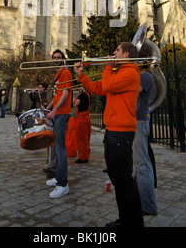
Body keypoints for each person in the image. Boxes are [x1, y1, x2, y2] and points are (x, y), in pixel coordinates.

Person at [74, 42, 144, 228]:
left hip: (121, 132)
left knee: (124, 181)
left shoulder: (130, 72)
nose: (113, 53)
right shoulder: (118, 72)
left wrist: (107, 65)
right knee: (117, 179)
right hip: (113, 130)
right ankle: (125, 219)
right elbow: (99, 88)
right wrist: (81, 76)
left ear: (126, 54)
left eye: (117, 51)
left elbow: (108, 84)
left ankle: (134, 223)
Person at [44, 49, 72, 199]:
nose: (56, 59)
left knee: (60, 148)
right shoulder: (57, 75)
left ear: (63, 59)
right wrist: (48, 107)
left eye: (59, 57)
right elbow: (57, 95)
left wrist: (54, 111)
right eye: (54, 57)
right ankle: (57, 177)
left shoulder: (66, 72)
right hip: (57, 113)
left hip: (62, 114)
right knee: (56, 146)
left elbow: (66, 94)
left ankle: (63, 183)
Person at [132, 71, 157, 215]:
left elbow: (132, 91)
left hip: (139, 122)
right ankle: (140, 199)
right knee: (137, 164)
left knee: (142, 165)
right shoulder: (135, 74)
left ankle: (148, 206)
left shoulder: (145, 76)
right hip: (132, 122)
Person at [73, 87, 91, 163]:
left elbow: (75, 104)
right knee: (86, 137)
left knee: (81, 138)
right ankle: (85, 155)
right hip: (86, 117)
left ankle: (83, 157)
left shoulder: (83, 94)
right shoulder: (88, 94)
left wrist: (73, 97)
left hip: (82, 117)